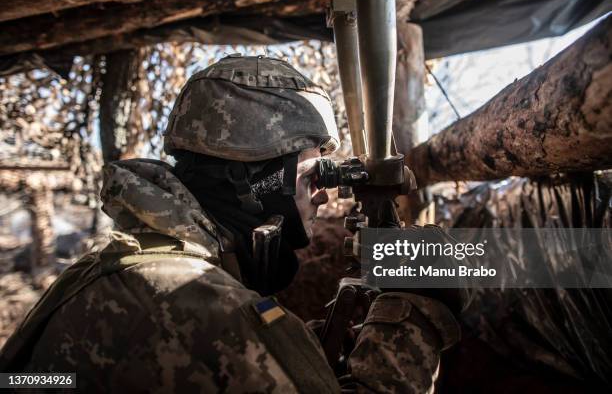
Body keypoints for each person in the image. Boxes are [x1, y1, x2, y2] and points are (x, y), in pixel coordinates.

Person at [0, 55, 460, 393]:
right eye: (313, 171)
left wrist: (301, 356)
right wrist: (415, 313)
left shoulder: (115, 267)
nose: (323, 192)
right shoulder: (198, 304)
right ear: (254, 178)